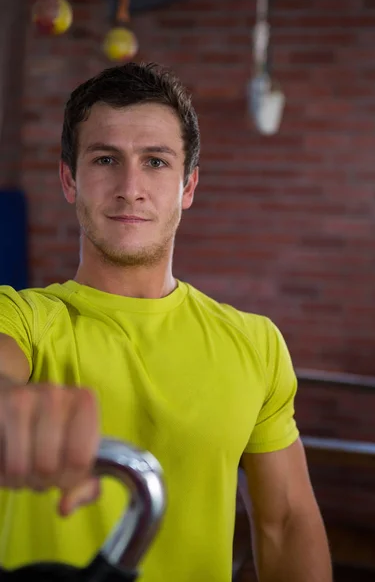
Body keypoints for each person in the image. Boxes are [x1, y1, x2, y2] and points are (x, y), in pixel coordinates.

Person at [0, 62, 332, 582]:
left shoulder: (254, 342)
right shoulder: (24, 318)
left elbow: (285, 522)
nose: (130, 187)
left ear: (189, 185)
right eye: (106, 159)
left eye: (155, 162)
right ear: (70, 179)